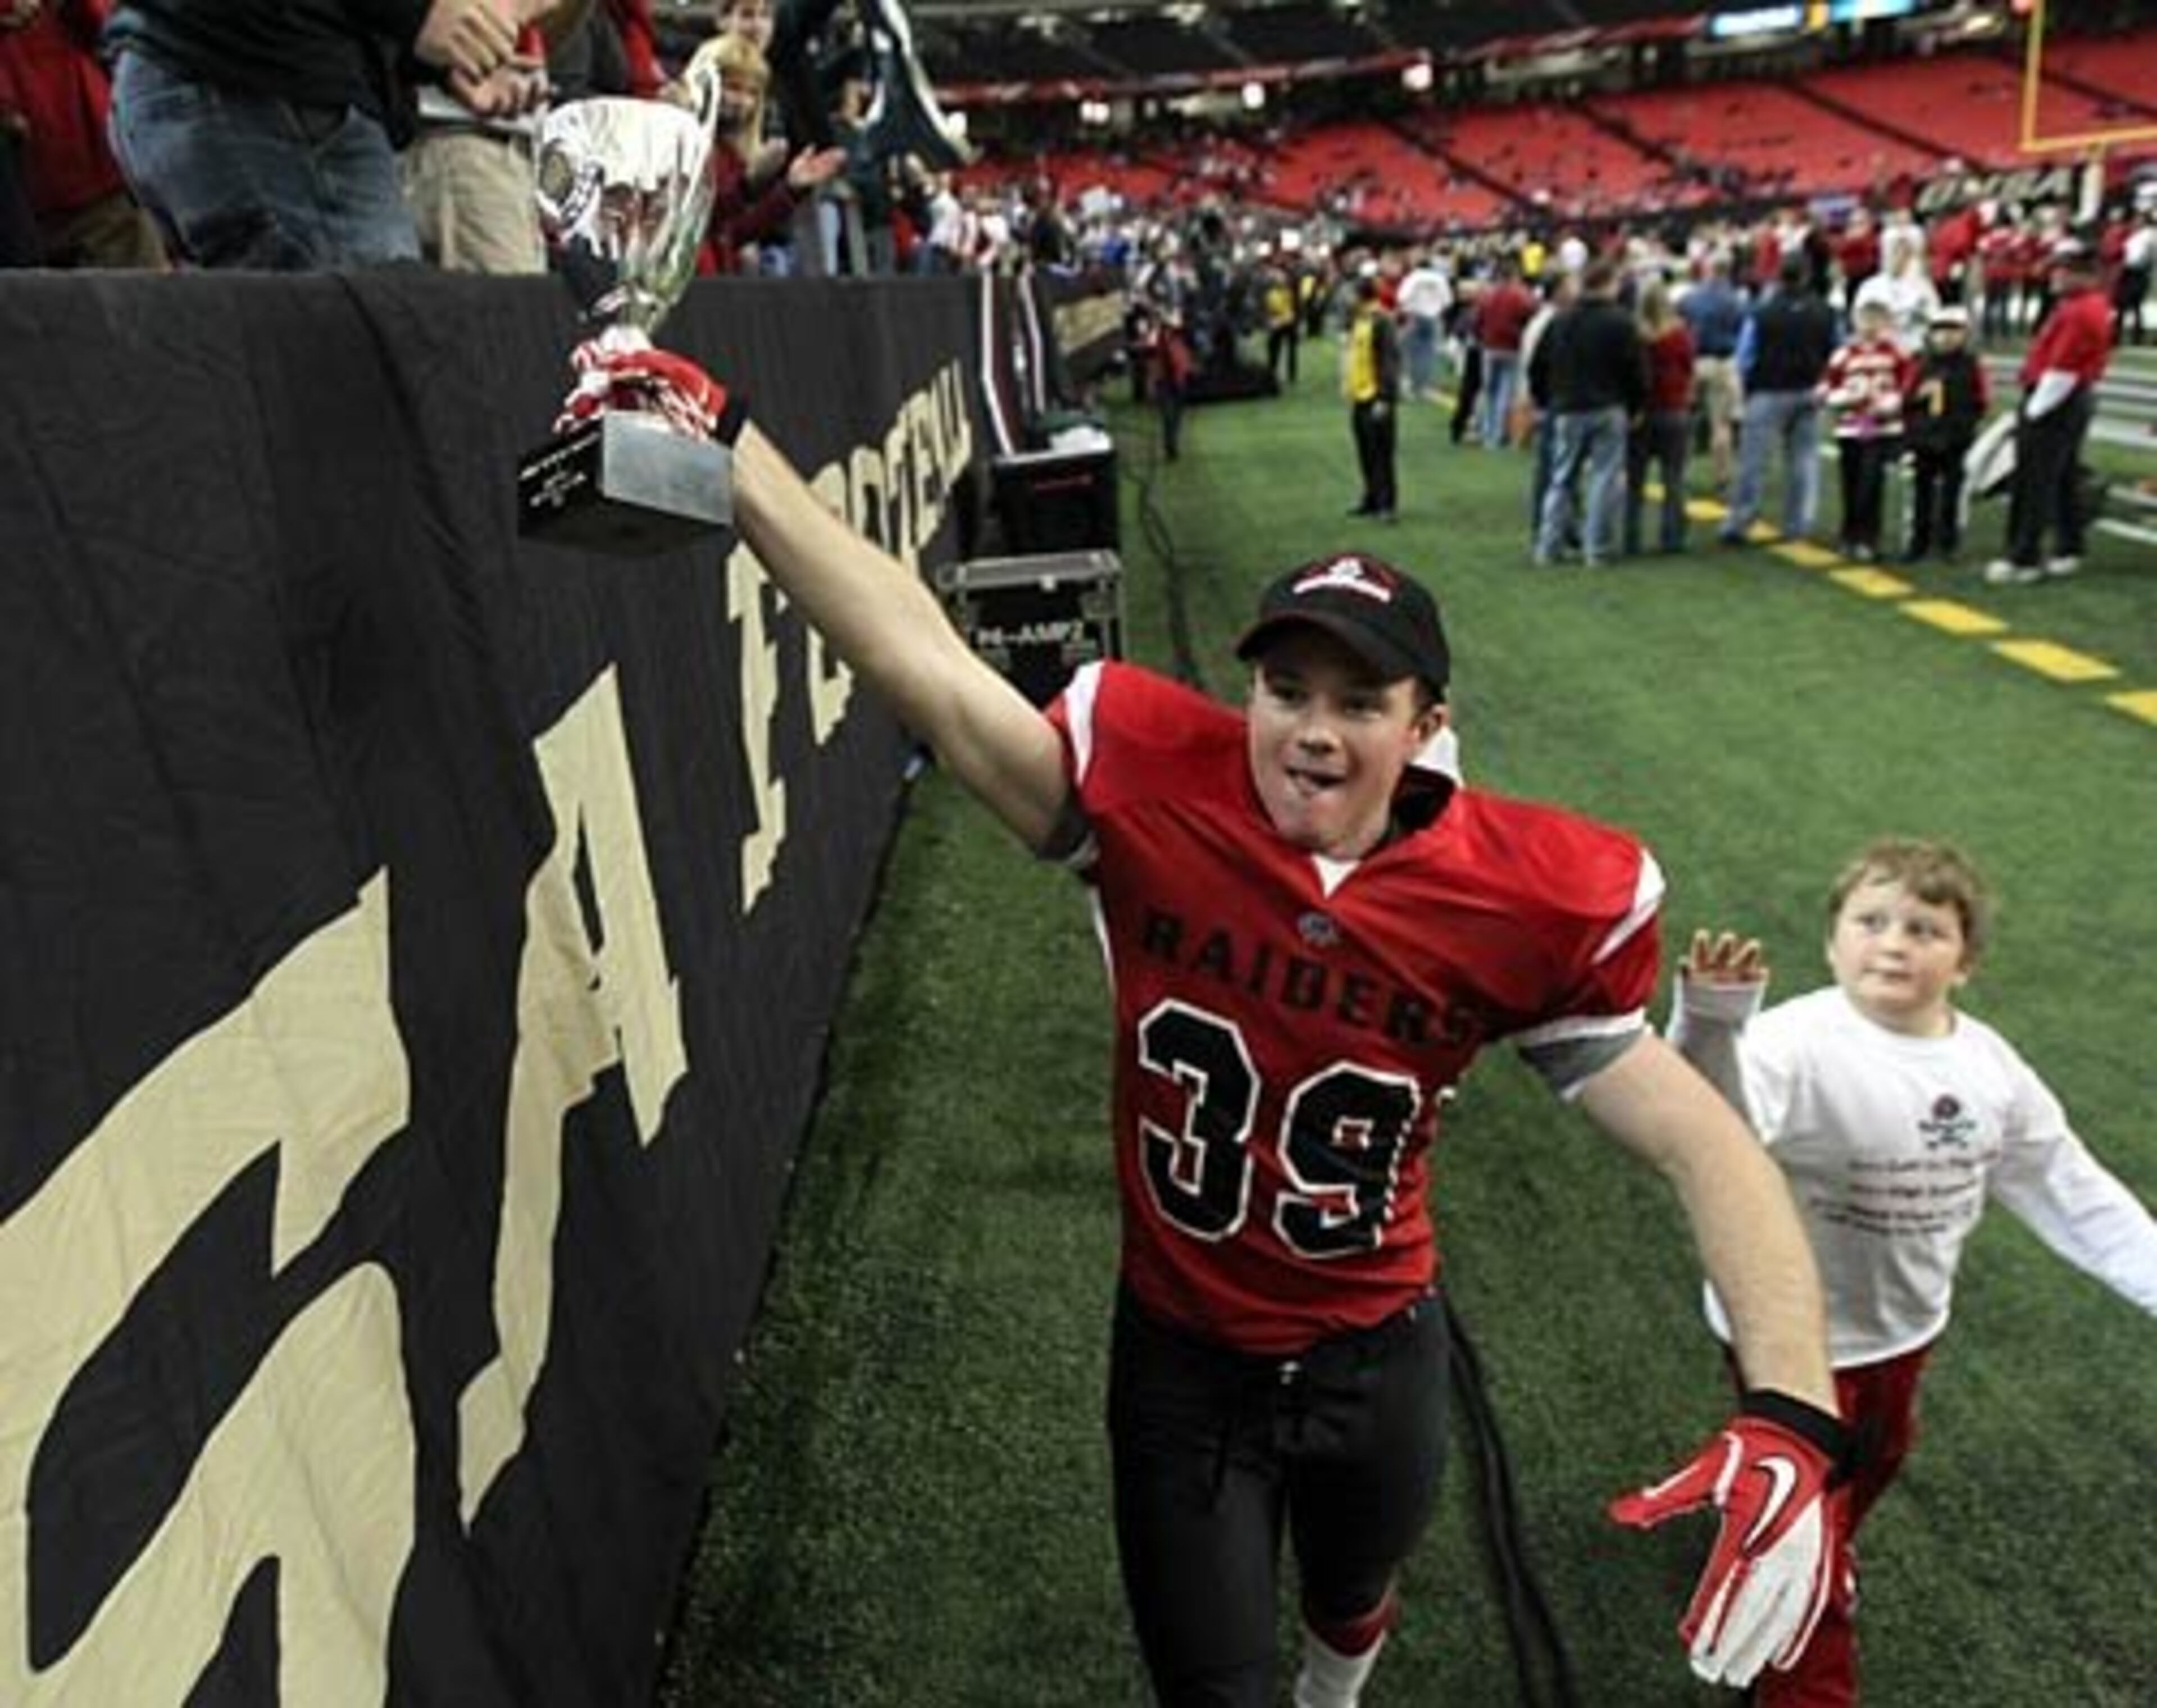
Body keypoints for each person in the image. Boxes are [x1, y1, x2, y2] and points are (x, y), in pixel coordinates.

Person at [563, 340, 1851, 1707]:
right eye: (1286, 688)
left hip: (1376, 1344)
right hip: (1182, 1356)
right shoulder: (1154, 786)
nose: (1310, 729)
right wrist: (732, 438)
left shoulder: (1521, 895)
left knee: (1351, 1600)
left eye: (1358, 701)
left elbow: (1711, 1148)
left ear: (1426, 725)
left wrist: (1793, 1412)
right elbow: (920, 659)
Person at [1667, 836, 2157, 1707]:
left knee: (1879, 1458)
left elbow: (2070, 1188)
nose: (1894, 942)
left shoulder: (1990, 1069)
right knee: (1806, 1522)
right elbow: (1717, 1136)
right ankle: (1803, 1646)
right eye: (1872, 921)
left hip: (1904, 1331)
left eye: (1925, 928)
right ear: (1832, 941)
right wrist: (1711, 1025)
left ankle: (1800, 1538)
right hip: (1787, 1342)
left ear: (1965, 960)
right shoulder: (1792, 1042)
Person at [1983, 240, 2114, 587]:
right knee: (2062, 477)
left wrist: (2033, 412)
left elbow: (2063, 370)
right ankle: (2068, 547)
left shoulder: (2079, 311)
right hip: (2069, 397)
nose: (2055, 276)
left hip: (2057, 398)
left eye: (2064, 270)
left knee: (2034, 480)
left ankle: (2023, 557)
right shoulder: (2087, 305)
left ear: (2085, 274)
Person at [1532, 256, 1646, 567]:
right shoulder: (1622, 321)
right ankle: (1596, 549)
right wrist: (1637, 405)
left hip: (1568, 406)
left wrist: (1545, 400)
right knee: (1603, 479)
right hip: (1608, 406)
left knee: (1561, 479)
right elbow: (1635, 370)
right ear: (1608, 283)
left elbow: (1538, 366)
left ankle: (1547, 547)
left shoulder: (1561, 320)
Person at [1719, 252, 1837, 546]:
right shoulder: (1824, 311)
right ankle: (1798, 524)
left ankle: (1741, 521)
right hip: (1808, 389)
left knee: (1754, 461)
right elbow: (1836, 350)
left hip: (1767, 391)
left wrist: (1744, 389)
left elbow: (1746, 357)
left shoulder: (1762, 313)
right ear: (1808, 276)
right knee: (1803, 461)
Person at [1817, 280, 1913, 563]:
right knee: (1851, 480)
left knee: (1872, 482)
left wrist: (1893, 402)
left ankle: (1869, 538)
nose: (1870, 326)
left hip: (1881, 425)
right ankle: (1850, 534)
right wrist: (1838, 397)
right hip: (1851, 425)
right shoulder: (1844, 354)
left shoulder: (1895, 353)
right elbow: (1826, 386)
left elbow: (1908, 384)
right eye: (1865, 320)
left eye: (1876, 320)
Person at [1900, 303, 1988, 563]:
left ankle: (1948, 543)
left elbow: (1981, 399)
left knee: (1952, 493)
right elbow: (1905, 396)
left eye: (1953, 331)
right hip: (1923, 438)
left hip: (1956, 438)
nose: (1946, 337)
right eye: (1940, 331)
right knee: (1921, 493)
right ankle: (1918, 542)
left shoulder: (1971, 365)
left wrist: (1967, 424)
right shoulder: (1920, 363)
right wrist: (1918, 399)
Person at [1625, 277, 1696, 556]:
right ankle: (1673, 537)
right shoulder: (1679, 335)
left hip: (1642, 413)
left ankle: (1632, 538)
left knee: (1635, 482)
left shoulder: (1635, 335)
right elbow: (1689, 368)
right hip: (1673, 410)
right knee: (1674, 479)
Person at [1342, 272, 1400, 521]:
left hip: (1376, 396)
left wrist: (1385, 398)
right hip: (1360, 394)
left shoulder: (1382, 321)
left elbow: (1389, 361)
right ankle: (1372, 498)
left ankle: (1387, 504)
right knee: (1365, 452)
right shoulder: (1359, 320)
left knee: (1381, 454)